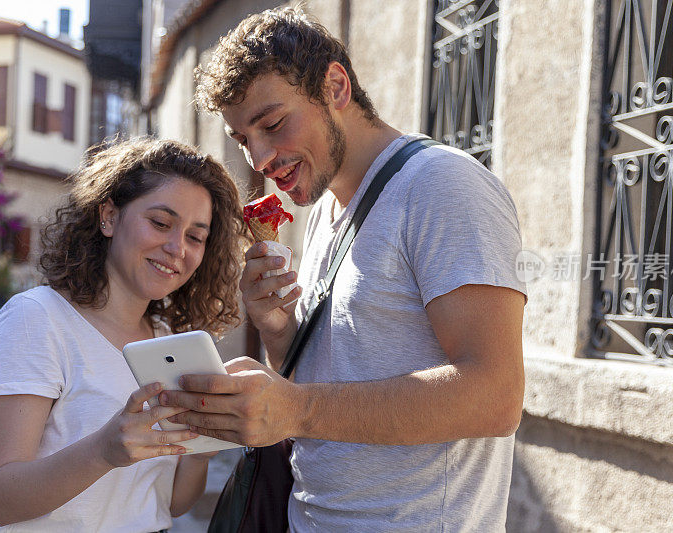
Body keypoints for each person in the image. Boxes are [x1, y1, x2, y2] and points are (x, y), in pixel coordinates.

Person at [161, 6, 527, 532]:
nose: (260, 158)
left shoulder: (443, 186)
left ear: (335, 86)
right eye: (245, 140)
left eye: (272, 123)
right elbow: (330, 377)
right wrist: (278, 328)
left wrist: (296, 409)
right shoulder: (326, 211)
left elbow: (495, 396)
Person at [0, 138, 249, 532]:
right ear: (108, 216)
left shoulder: (165, 339)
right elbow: (0, 500)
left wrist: (204, 447)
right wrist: (103, 452)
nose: (176, 248)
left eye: (195, 236)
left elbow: (170, 504)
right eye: (160, 222)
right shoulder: (37, 319)